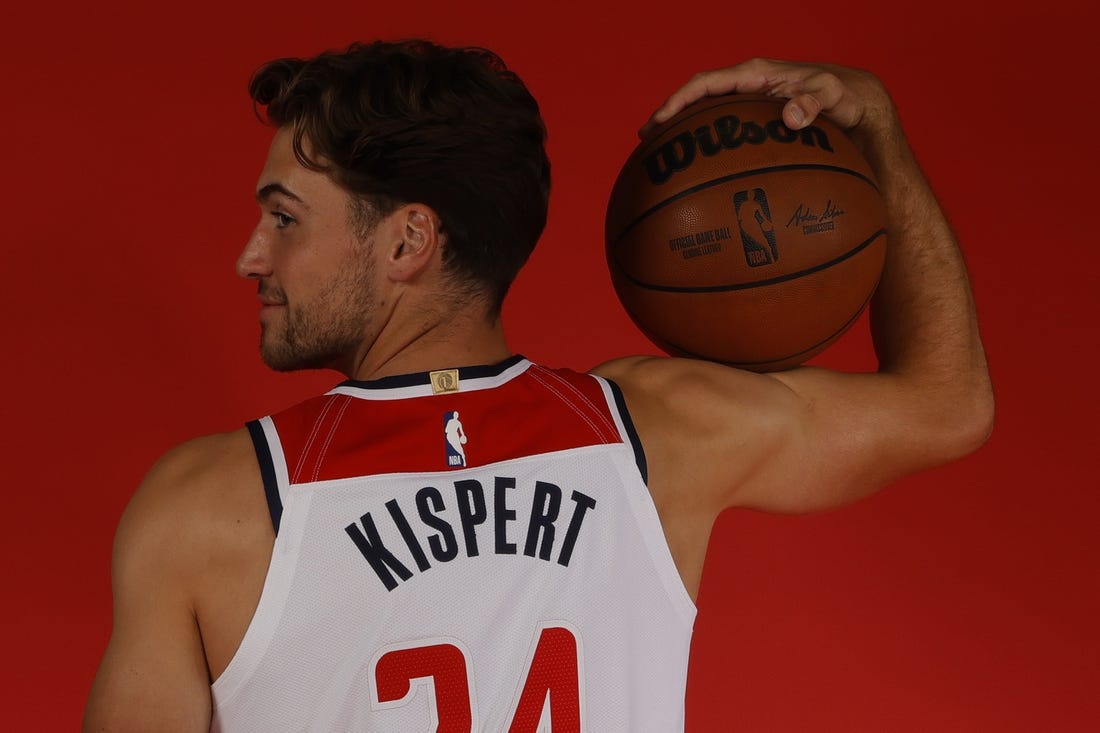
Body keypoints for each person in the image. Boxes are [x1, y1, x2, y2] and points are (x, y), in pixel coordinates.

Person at [83, 41, 993, 731]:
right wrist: (873, 125)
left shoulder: (206, 509)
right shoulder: (658, 437)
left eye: (284, 218)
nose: (252, 256)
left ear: (408, 241)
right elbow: (949, 402)